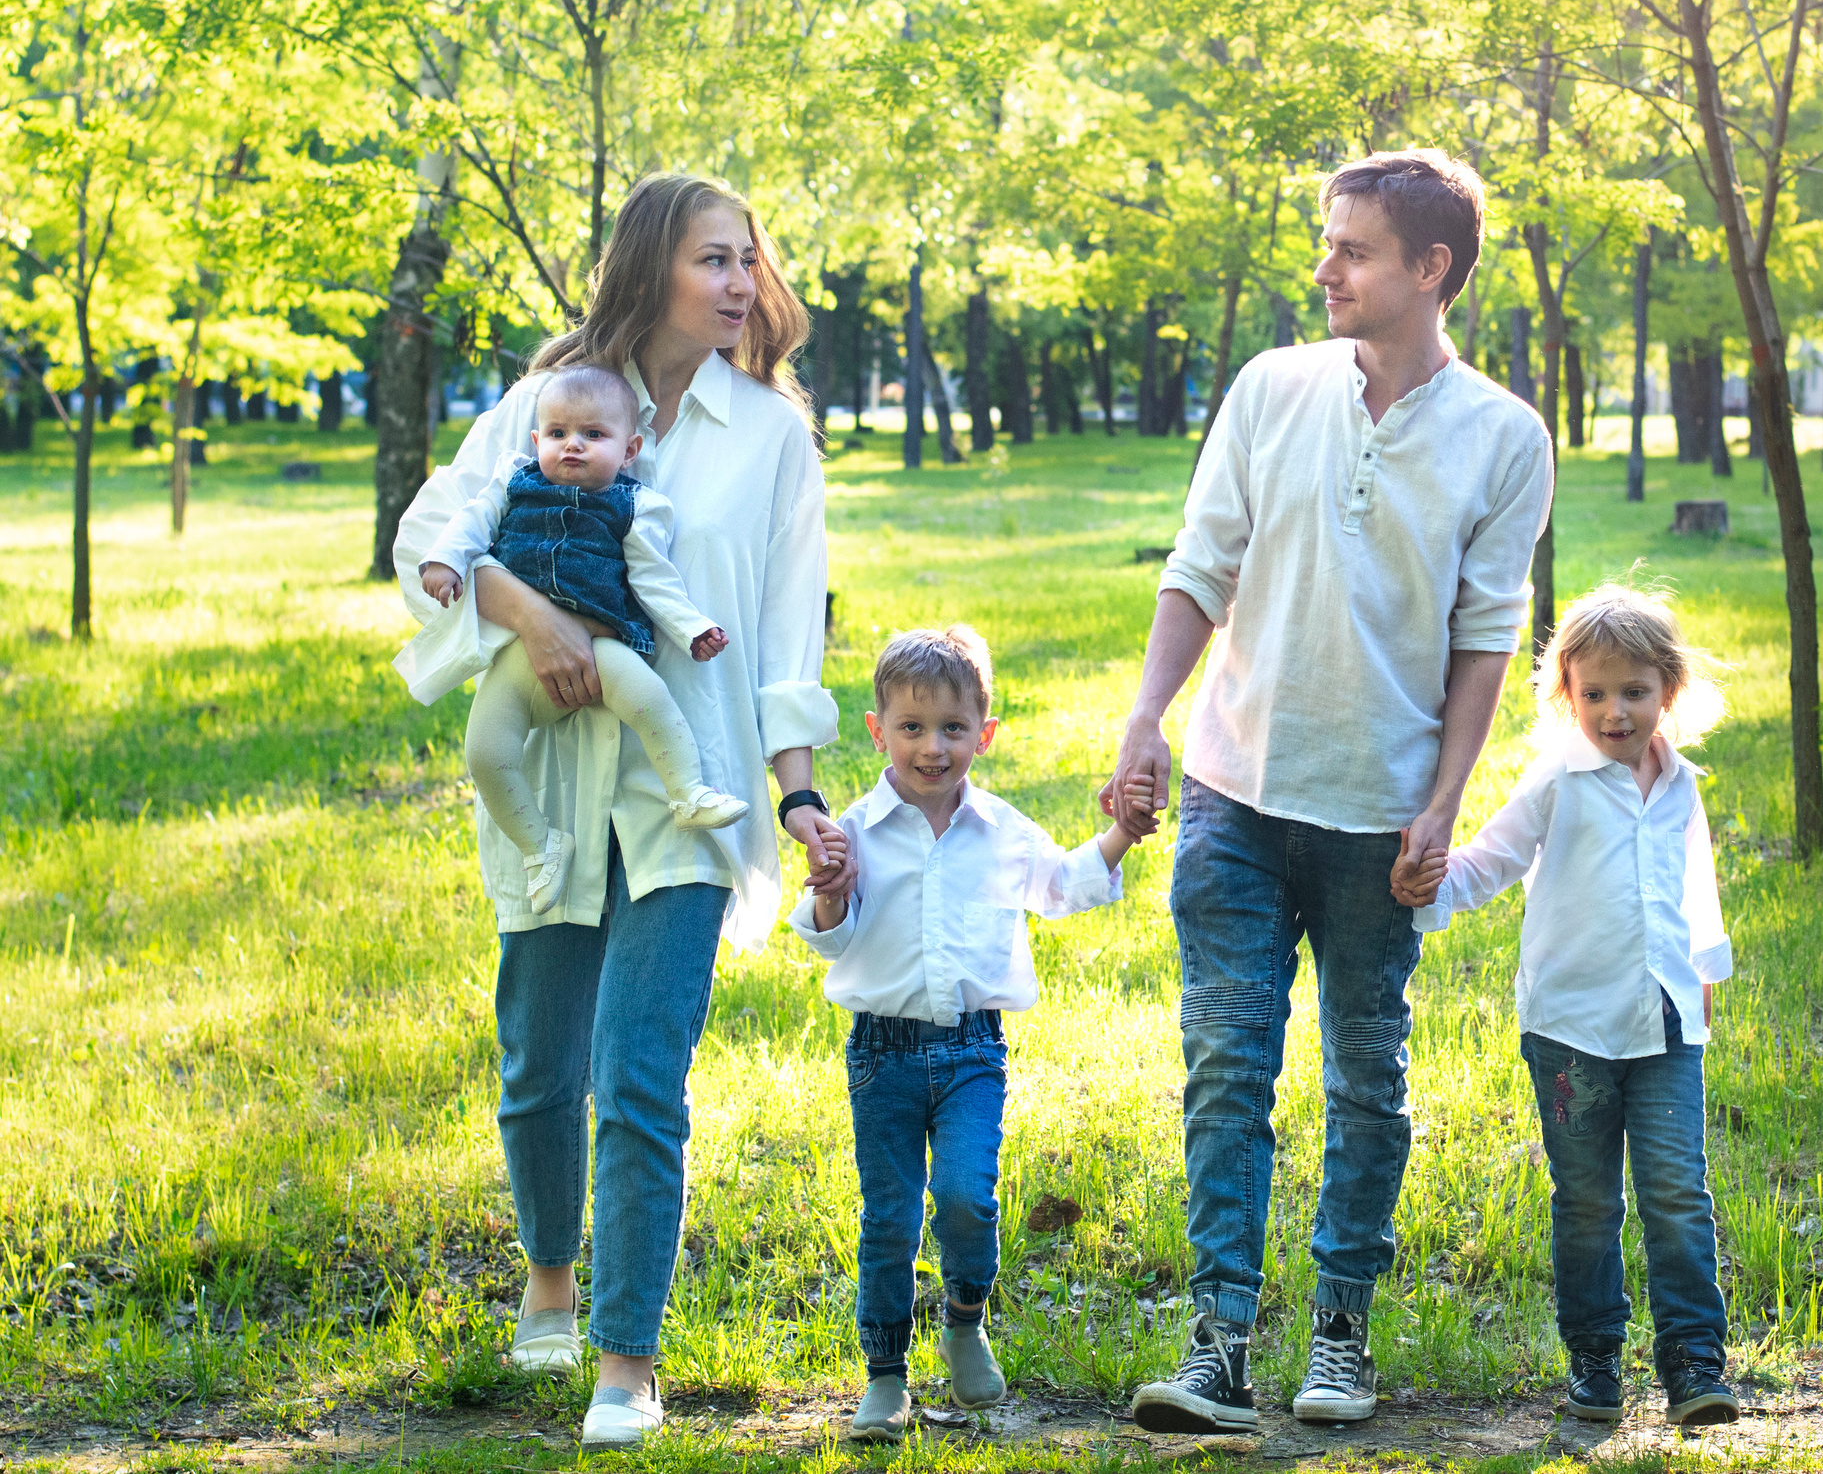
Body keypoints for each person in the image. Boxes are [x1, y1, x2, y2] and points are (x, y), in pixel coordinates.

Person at [391, 173, 847, 1449]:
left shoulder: (771, 437)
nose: (742, 285)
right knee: (541, 1064)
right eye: (716, 260)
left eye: (749, 263)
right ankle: (547, 1276)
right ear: (651, 267)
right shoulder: (546, 403)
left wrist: (800, 795)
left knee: (640, 1073)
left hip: (683, 786)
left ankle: (626, 1358)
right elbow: (433, 534)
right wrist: (527, 615)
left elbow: (783, 629)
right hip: (548, 777)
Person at [1105, 148, 1554, 1432]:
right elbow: (1200, 565)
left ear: (1431, 269)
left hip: (1380, 826)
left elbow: (1487, 636)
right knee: (1226, 1070)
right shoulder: (1270, 388)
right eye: (1326, 241)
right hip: (1235, 795)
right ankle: (1218, 1343)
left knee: (1366, 1077)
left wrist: (1445, 799)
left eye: (1352, 248)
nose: (1326, 268)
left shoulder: (1505, 439)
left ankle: (1341, 1335)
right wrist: (1147, 715)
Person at [1390, 584, 1741, 1431]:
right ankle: (1594, 1357)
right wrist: (1427, 882)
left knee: (1677, 1194)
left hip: (1665, 1027)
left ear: (1670, 690)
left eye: (1634, 692)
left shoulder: (1682, 784)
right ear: (1567, 694)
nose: (1614, 711)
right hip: (1571, 1033)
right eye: (1594, 693)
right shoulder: (1558, 779)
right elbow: (1492, 861)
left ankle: (1695, 1359)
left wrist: (1702, 980)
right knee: (1586, 1199)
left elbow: (1694, 889)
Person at [787, 625, 1143, 1441]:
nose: (933, 747)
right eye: (912, 727)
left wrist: (1120, 830)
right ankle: (884, 1375)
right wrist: (834, 894)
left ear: (984, 733)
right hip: (881, 1052)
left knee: (965, 1197)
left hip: (973, 1051)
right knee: (888, 1216)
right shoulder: (856, 829)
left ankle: (964, 1314)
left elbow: (1063, 885)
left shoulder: (1003, 831)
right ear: (879, 730)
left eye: (952, 728)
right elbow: (829, 934)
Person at [417, 364, 750, 913]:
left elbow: (654, 578)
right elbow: (470, 523)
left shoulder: (634, 505)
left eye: (593, 435)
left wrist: (692, 628)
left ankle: (687, 791)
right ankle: (539, 846)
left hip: (601, 646)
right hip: (517, 659)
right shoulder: (514, 481)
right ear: (536, 440)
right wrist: (446, 561)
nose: (572, 446)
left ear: (629, 449)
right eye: (558, 434)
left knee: (649, 699)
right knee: (485, 751)